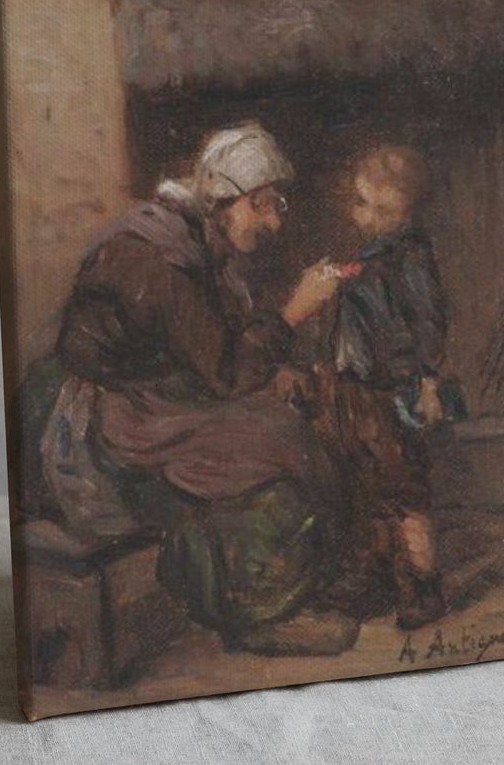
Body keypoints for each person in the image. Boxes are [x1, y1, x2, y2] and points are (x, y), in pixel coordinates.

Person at [52, 124, 353, 655]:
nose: (274, 222)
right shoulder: (160, 257)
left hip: (163, 399)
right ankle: (259, 611)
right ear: (222, 200)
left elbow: (216, 346)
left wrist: (273, 368)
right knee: (275, 444)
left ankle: (297, 584)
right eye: (261, 206)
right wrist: (293, 312)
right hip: (116, 416)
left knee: (285, 421)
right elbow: (226, 371)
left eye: (276, 205)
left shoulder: (200, 244)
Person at [314, 144, 449, 629]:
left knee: (405, 489)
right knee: (369, 486)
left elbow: (430, 320)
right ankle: (377, 577)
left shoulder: (410, 255)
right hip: (359, 390)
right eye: (362, 203)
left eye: (383, 209)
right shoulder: (373, 255)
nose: (367, 216)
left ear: (408, 212)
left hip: (397, 389)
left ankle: (423, 583)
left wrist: (428, 380)